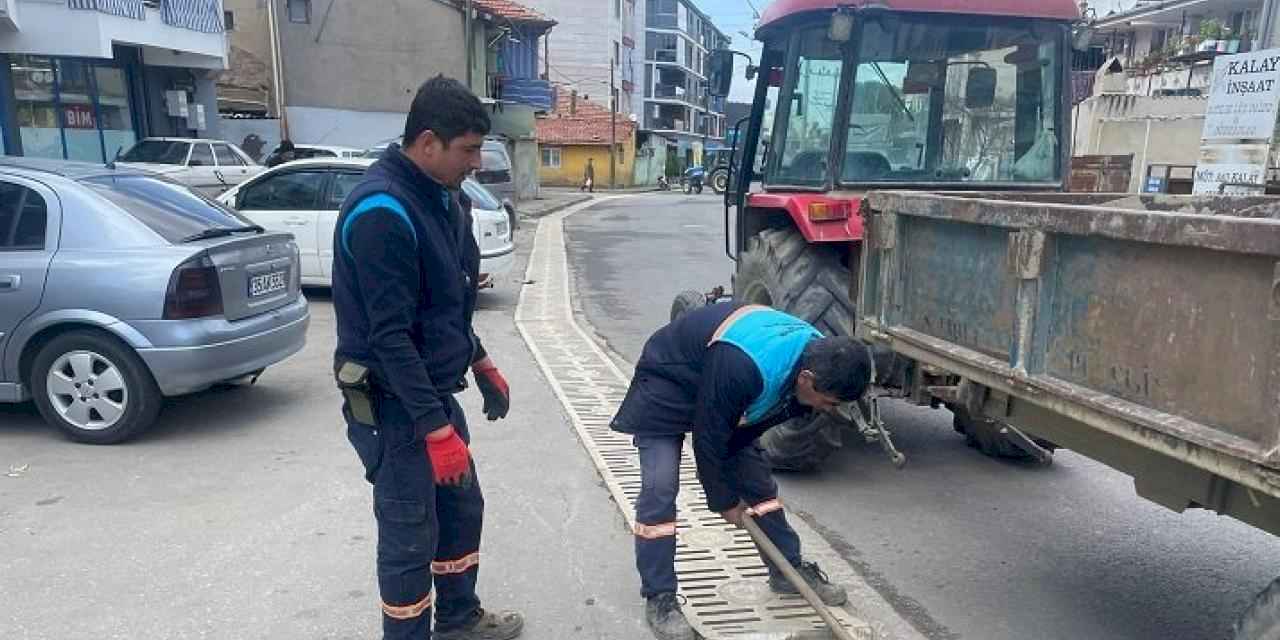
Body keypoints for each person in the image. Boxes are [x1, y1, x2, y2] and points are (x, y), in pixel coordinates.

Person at [332, 75, 522, 640]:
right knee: (410, 534)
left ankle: (459, 620)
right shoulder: (382, 213)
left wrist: (480, 361)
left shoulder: (443, 199)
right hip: (394, 406)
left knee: (462, 511)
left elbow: (445, 305)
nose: (477, 161)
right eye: (468, 149)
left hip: (432, 394)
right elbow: (391, 339)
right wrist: (435, 431)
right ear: (429, 142)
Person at [611, 302, 873, 640]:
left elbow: (736, 433)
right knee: (660, 488)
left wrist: (735, 477)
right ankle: (660, 597)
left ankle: (786, 568)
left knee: (759, 485)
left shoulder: (815, 356)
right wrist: (723, 499)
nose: (828, 410)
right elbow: (708, 437)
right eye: (831, 402)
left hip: (717, 387)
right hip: (668, 382)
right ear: (807, 379)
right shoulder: (745, 367)